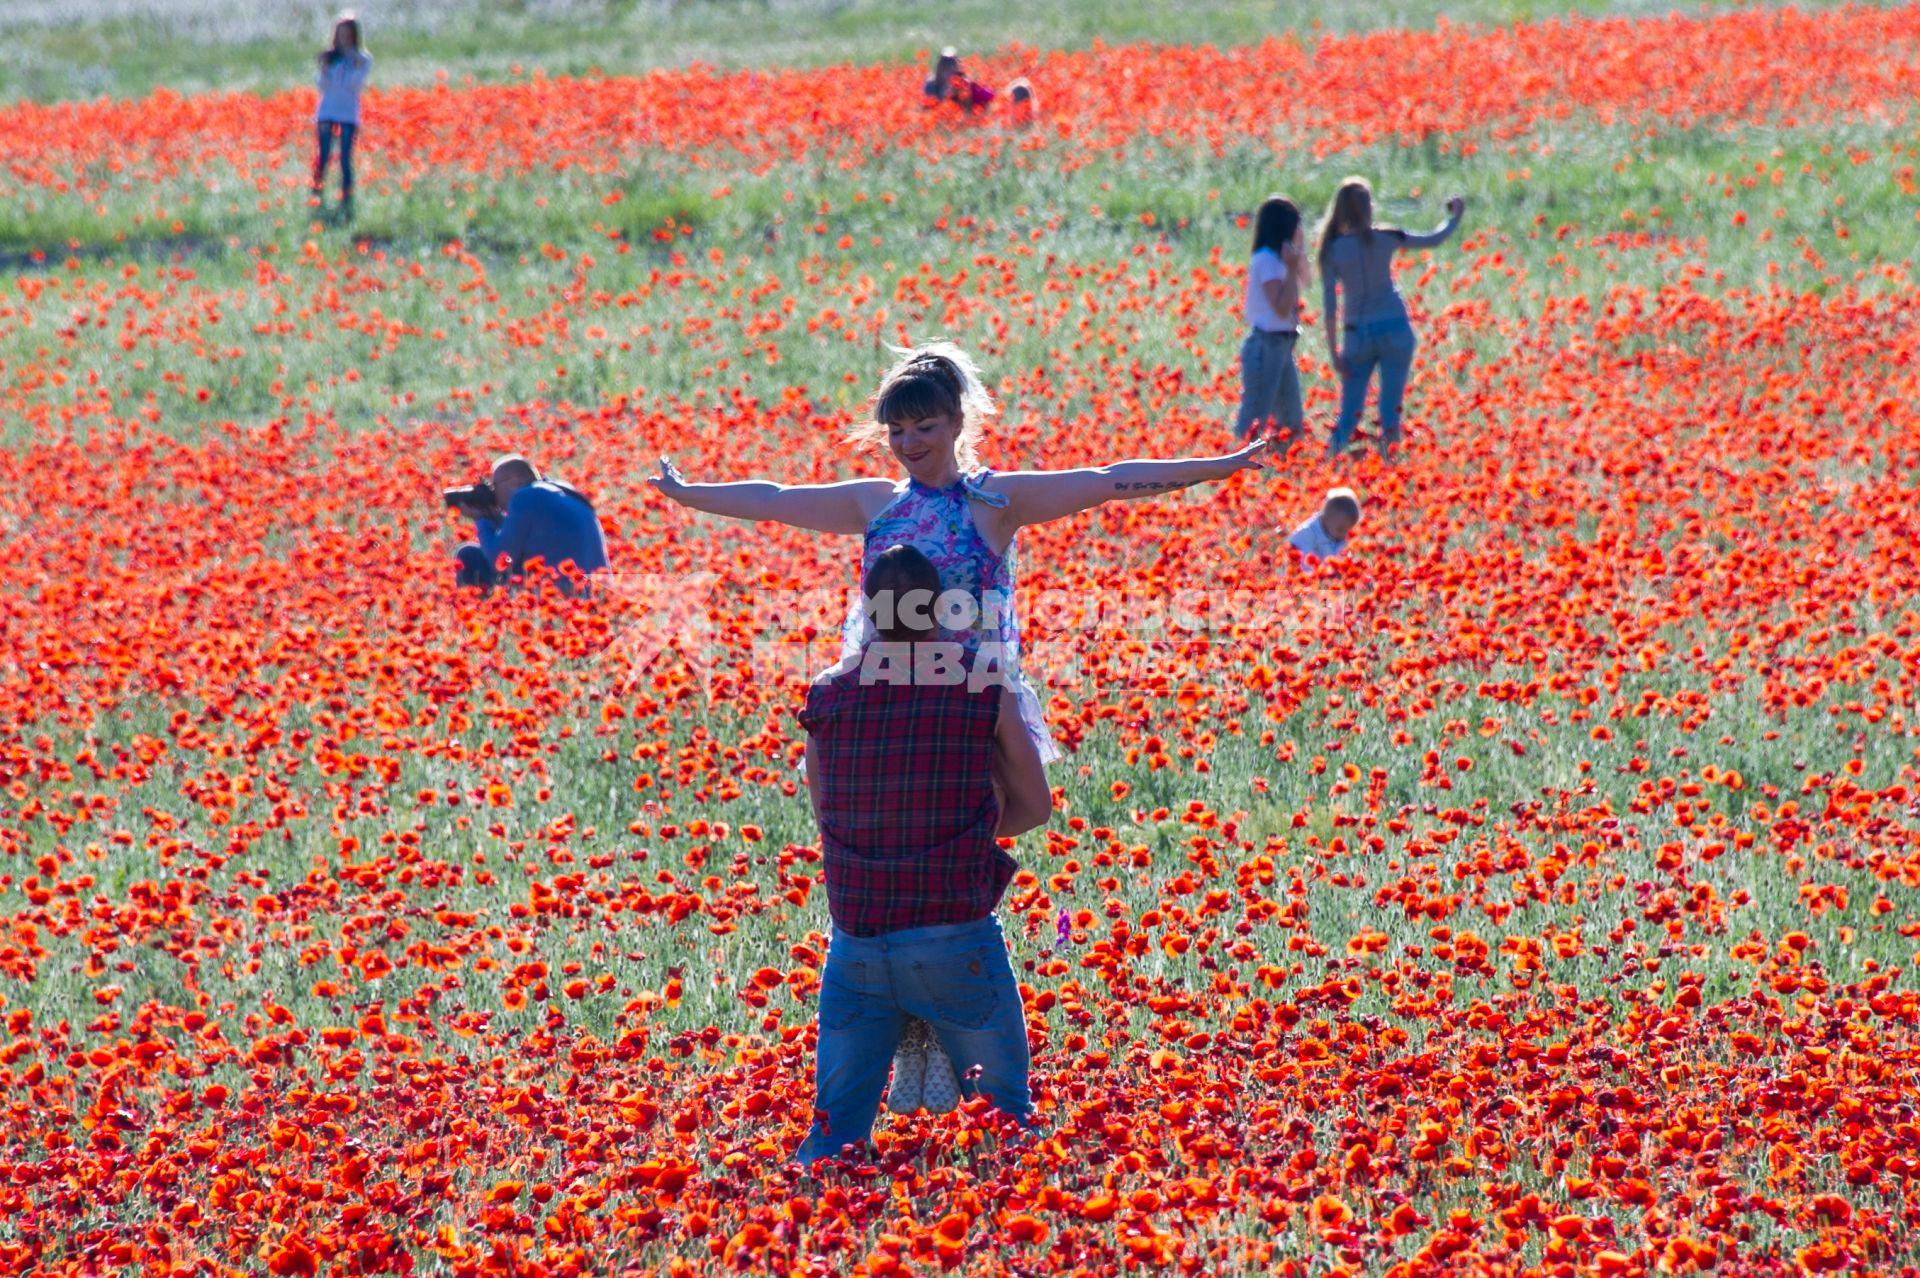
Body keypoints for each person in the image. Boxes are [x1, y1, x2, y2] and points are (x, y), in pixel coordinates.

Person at [648, 342, 1269, 763]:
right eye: (896, 431)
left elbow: (1108, 480)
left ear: (957, 425)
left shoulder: (998, 502)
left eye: (923, 428)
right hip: (886, 691)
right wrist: (687, 493)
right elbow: (775, 499)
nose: (907, 443)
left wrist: (1218, 467)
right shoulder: (877, 504)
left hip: (968, 699)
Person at [793, 545, 1052, 1166]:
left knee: (835, 1135)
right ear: (940, 607)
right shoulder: (983, 681)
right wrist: (966, 836)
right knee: (1004, 1126)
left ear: (869, 611)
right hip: (954, 937)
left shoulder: (829, 693)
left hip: (858, 936)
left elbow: (824, 811)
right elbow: (1035, 806)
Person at [1317, 177, 1465, 458]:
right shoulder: (1386, 237)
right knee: (1390, 412)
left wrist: (1333, 351)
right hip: (1395, 328)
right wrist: (1455, 217)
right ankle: (1390, 468)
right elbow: (1434, 239)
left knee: (1349, 413)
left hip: (1356, 334)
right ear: (1369, 208)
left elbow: (1329, 304)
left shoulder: (1332, 250)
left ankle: (1327, 468)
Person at [452, 454, 609, 592]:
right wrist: (494, 517)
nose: (493, 494)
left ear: (515, 481)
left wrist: (481, 519)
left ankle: (478, 620)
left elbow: (499, 560)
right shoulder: (565, 493)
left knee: (469, 555)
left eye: (494, 486)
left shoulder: (525, 496)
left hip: (561, 593)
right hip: (597, 592)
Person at [1231, 196, 1310, 446]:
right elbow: (1282, 307)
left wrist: (1299, 253)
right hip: (1266, 346)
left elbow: (1307, 280)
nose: (1300, 230)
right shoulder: (1266, 259)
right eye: (1297, 225)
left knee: (1291, 421)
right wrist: (1290, 267)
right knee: (1255, 417)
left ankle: (1284, 469)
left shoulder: (1283, 258)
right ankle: (1234, 468)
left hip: (1282, 346)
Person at [312, 13, 371, 218]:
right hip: (327, 111)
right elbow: (322, 86)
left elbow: (355, 86)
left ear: (354, 36)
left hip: (348, 113)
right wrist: (325, 68)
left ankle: (346, 198)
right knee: (324, 155)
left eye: (347, 34)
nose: (344, 38)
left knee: (345, 158)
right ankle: (316, 195)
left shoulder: (362, 59)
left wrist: (352, 68)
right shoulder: (329, 57)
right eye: (340, 34)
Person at [1287, 487, 1361, 561]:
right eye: (1340, 529)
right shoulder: (1305, 535)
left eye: (1347, 530)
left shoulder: (1337, 537)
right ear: (1325, 518)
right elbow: (1297, 563)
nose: (1344, 535)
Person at [923, 47, 995, 112]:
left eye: (952, 67)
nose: (948, 72)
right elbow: (926, 108)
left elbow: (991, 96)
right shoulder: (931, 85)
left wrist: (964, 94)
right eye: (944, 67)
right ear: (938, 70)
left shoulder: (967, 85)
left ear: (958, 70)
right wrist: (944, 97)